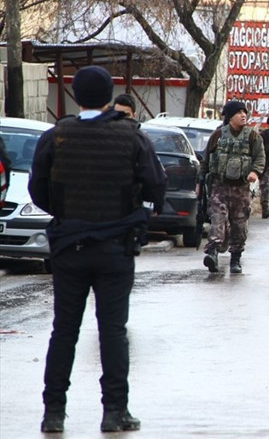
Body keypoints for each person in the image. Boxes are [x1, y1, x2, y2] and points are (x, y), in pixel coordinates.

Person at [28, 66, 167, 434]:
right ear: (109, 96)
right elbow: (156, 186)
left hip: (69, 246)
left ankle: (53, 412)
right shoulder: (131, 137)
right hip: (114, 249)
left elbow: (37, 190)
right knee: (112, 332)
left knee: (64, 331)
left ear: (75, 95)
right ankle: (114, 411)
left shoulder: (55, 136)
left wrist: (67, 213)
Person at [199, 101, 265, 274]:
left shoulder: (253, 136)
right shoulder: (218, 135)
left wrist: (254, 172)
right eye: (238, 113)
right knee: (217, 219)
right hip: (220, 186)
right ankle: (212, 253)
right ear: (229, 117)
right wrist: (200, 181)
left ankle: (235, 258)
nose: (243, 115)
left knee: (239, 225)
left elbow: (260, 158)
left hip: (241, 188)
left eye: (245, 112)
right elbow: (206, 160)